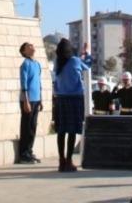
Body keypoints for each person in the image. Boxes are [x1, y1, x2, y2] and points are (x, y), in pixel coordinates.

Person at [52, 38, 92, 172]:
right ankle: (69, 160)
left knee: (61, 131)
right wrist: (86, 53)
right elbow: (87, 65)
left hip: (61, 99)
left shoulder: (58, 62)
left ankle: (61, 161)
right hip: (74, 99)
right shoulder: (75, 60)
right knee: (72, 131)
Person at [15, 41, 42, 164]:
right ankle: (23, 154)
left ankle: (29, 151)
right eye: (28, 46)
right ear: (24, 51)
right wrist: (26, 101)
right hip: (28, 99)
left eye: (32, 45)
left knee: (33, 126)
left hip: (36, 99)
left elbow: (38, 82)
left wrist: (40, 99)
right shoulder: (25, 64)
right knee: (26, 127)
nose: (32, 47)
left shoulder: (37, 64)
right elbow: (24, 84)